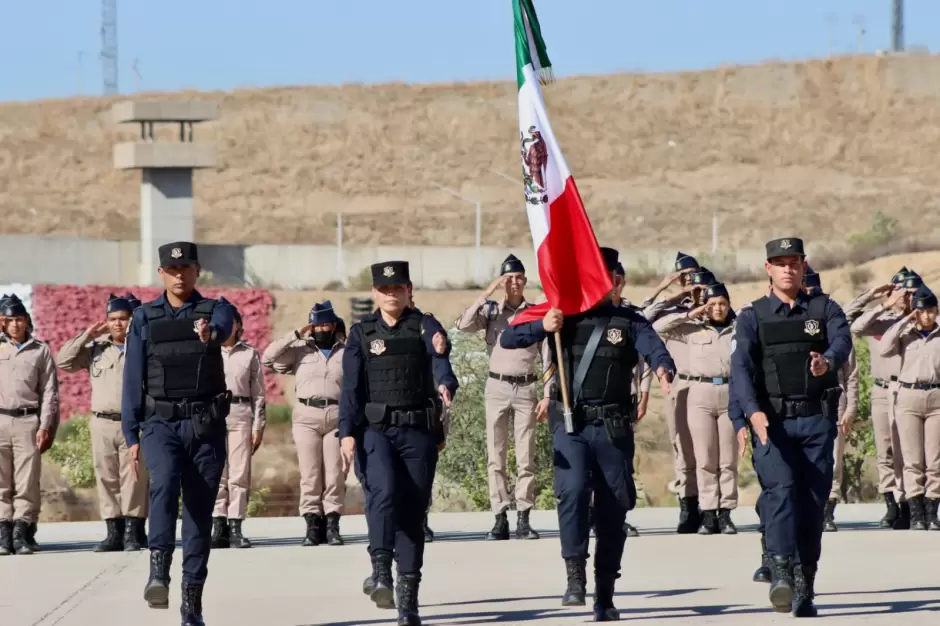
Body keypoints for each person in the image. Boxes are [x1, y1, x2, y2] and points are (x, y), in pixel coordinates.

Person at [500, 247, 675, 622]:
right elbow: (509, 339)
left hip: (613, 428)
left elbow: (655, 348)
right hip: (571, 424)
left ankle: (605, 592)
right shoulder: (561, 315)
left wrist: (663, 369)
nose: (603, 282)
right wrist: (543, 327)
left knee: (615, 507)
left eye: (608, 276)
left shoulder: (629, 320)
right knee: (573, 491)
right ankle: (574, 574)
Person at [730, 237, 852, 617]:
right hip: (773, 424)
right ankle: (780, 571)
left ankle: (805, 585)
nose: (788, 269)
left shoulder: (824, 307)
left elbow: (843, 340)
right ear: (768, 268)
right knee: (781, 493)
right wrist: (750, 413)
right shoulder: (752, 316)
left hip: (816, 420)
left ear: (803, 266)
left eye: (794, 262)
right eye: (779, 263)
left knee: (813, 504)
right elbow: (741, 369)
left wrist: (827, 362)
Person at [338, 261, 458, 626]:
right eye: (385, 290)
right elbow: (350, 389)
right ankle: (381, 571)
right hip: (377, 432)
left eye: (399, 289)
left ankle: (408, 602)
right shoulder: (361, 333)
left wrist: (445, 383)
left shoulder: (424, 325)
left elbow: (440, 355)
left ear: (409, 291)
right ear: (376, 293)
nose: (392, 295)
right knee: (385, 492)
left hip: (418, 432)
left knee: (413, 510)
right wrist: (345, 433)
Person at [122, 241, 235, 625]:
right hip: (160, 423)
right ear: (161, 274)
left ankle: (192, 603)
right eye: (172, 270)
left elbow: (225, 326)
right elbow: (132, 376)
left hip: (205, 425)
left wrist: (211, 335)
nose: (179, 274)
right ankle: (158, 570)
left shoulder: (214, 309)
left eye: (186, 268)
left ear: (197, 270)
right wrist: (131, 434)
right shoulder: (144, 317)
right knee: (164, 484)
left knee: (199, 514)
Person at [455, 253, 547, 540]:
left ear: (525, 281)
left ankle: (523, 516)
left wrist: (547, 394)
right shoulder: (492, 313)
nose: (515, 283)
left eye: (519, 278)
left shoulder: (535, 313)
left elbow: (548, 356)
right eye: (509, 279)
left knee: (525, 456)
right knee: (496, 455)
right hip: (496, 388)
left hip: (527, 388)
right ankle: (499, 517)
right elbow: (463, 324)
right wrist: (487, 293)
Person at [56, 294, 150, 552]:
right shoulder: (97, 348)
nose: (118, 324)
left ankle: (133, 532)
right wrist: (86, 336)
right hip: (102, 422)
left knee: (134, 477)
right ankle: (113, 533)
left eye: (123, 319)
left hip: (134, 423)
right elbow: (63, 361)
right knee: (106, 477)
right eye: (113, 319)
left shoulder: (143, 346)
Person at [654, 281, 739, 534]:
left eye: (722, 304)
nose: (718, 309)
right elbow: (659, 327)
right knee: (704, 458)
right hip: (699, 393)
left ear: (729, 305)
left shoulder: (738, 330)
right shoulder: (691, 330)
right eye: (712, 304)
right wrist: (692, 313)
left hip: (729, 392)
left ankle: (726, 513)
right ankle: (709, 512)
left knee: (727, 459)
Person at [262, 300, 347, 546]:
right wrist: (296, 334)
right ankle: (312, 524)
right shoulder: (300, 349)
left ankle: (332, 524)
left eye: (327, 324)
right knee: (310, 474)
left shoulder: (345, 349)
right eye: (317, 325)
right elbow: (269, 358)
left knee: (334, 474)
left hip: (336, 415)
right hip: (307, 416)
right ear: (311, 326)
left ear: (334, 324)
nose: (322, 329)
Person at [644, 255, 712, 533]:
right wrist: (669, 290)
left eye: (693, 276)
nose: (690, 282)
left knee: (708, 451)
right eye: (683, 276)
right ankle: (688, 504)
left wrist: (706, 303)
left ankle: (711, 507)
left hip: (708, 386)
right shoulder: (671, 312)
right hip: (680, 386)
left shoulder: (716, 310)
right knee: (682, 448)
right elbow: (645, 318)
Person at [849, 268, 917, 529]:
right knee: (885, 451)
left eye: (910, 292)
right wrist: (876, 300)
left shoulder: (920, 320)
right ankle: (891, 504)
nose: (905, 297)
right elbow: (852, 323)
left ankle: (910, 503)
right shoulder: (879, 320)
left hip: (908, 390)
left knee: (909, 452)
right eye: (900, 291)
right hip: (881, 391)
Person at [800, 268, 860, 532]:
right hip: (802, 404)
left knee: (833, 461)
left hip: (835, 403)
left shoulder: (837, 329)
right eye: (806, 292)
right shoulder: (793, 326)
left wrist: (850, 408)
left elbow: (852, 374)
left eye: (815, 292)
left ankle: (828, 511)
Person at [0, 294, 59, 556]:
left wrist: (45, 425)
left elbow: (49, 392)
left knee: (27, 481)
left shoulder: (40, 350)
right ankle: (3, 532)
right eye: (10, 320)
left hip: (28, 421)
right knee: (1, 482)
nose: (15, 325)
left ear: (27, 321)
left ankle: (21, 532)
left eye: (19, 319)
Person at [878, 283, 940, 531]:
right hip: (908, 398)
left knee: (935, 459)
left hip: (936, 397)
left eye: (932, 310)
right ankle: (916, 513)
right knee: (912, 459)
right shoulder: (905, 334)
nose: (927, 316)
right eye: (922, 311)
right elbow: (884, 348)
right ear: (915, 312)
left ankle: (932, 512)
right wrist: (906, 321)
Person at [212, 305, 266, 549]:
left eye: (230, 321)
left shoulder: (249, 354)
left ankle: (236, 526)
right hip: (213, 414)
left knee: (239, 473)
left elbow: (259, 395)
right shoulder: (208, 350)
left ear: (237, 324)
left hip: (241, 413)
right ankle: (218, 526)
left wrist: (258, 426)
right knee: (216, 473)